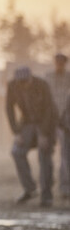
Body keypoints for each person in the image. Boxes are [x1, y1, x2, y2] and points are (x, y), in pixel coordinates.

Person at [5, 66, 58, 207]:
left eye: (25, 82)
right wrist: (16, 132)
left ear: (31, 78)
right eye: (19, 82)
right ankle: (30, 189)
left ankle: (46, 196)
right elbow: (9, 109)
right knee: (16, 152)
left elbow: (49, 110)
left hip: (46, 123)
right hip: (27, 123)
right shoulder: (12, 86)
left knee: (44, 156)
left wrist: (44, 134)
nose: (23, 85)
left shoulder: (42, 85)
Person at [44, 53, 70, 199]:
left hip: (64, 121)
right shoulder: (48, 77)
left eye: (62, 62)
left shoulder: (69, 77)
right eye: (57, 62)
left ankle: (64, 187)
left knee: (65, 155)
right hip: (49, 119)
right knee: (47, 153)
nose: (59, 65)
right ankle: (47, 187)